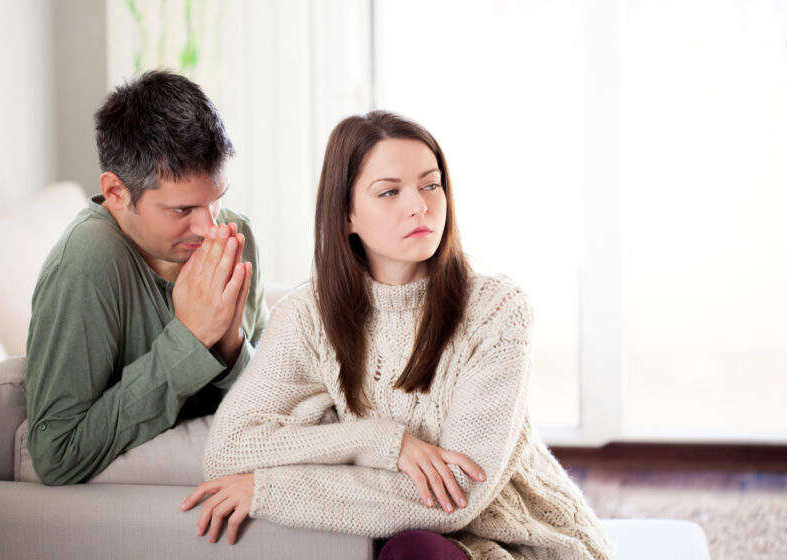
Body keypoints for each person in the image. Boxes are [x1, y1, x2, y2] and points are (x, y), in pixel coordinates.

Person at [181, 111, 613, 559]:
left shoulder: (497, 310)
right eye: (389, 192)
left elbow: (458, 494)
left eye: (431, 185)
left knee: (411, 550)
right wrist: (381, 442)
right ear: (346, 214)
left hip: (525, 544)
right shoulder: (306, 318)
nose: (419, 206)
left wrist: (268, 489)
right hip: (405, 541)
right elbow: (230, 450)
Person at [25, 70, 267, 485]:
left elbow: (270, 404)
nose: (210, 227)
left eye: (216, 200)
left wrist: (230, 344)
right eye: (182, 209)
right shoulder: (85, 265)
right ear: (116, 192)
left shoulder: (236, 233)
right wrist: (190, 340)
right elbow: (56, 454)